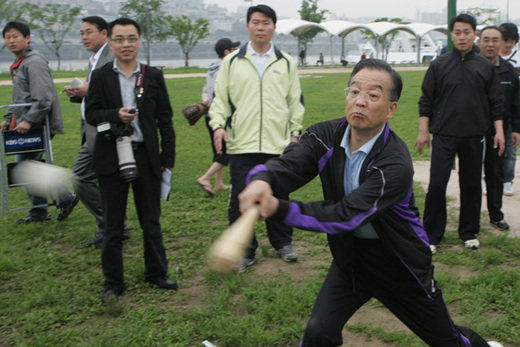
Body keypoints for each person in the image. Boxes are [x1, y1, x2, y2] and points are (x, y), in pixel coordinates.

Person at [239, 59, 502, 347]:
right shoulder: (324, 135)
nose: (360, 102)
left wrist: (278, 208)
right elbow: (290, 164)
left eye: (373, 95)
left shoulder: (395, 162)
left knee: (447, 342)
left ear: (391, 109)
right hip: (350, 259)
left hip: (400, 264)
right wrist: (262, 180)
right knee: (317, 334)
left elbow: (347, 214)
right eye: (354, 92)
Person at [85, 18, 177, 301]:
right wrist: (116, 115)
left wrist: (166, 158)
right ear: (110, 42)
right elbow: (92, 114)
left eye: (132, 38)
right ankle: (113, 282)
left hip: (145, 156)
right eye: (120, 39)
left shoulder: (153, 75)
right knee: (112, 224)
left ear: (139, 42)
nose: (126, 44)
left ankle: (156, 273)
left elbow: (165, 119)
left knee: (151, 220)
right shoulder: (100, 76)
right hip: (112, 155)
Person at [209, 4, 305, 272]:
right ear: (248, 26)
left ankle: (283, 242)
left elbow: (295, 101)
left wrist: (294, 133)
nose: (260, 27)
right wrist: (218, 126)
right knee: (241, 197)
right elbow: (220, 101)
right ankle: (245, 251)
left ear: (273, 27)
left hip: (278, 145)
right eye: (255, 22)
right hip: (242, 144)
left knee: (279, 195)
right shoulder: (231, 62)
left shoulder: (285, 62)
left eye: (266, 22)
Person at [414, 14, 505, 254]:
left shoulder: (485, 66)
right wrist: (424, 131)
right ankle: (432, 235)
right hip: (443, 135)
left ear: (474, 34)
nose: (462, 37)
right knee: (437, 185)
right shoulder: (439, 65)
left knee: (471, 185)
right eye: (457, 32)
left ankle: (469, 232)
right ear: (451, 35)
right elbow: (426, 100)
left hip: (475, 136)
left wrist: (499, 132)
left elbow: (496, 103)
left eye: (466, 32)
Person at [0, 21, 78, 224]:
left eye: (15, 36)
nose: (11, 40)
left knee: (26, 166)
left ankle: (63, 197)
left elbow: (44, 98)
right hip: (27, 124)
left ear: (27, 38)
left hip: (37, 125)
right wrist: (8, 119)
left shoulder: (33, 62)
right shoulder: (21, 63)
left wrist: (27, 120)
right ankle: (40, 211)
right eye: (7, 37)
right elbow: (19, 97)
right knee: (28, 166)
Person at [65, 16, 122, 247]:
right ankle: (114, 224)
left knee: (80, 176)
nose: (84, 37)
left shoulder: (111, 56)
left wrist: (90, 89)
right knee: (99, 179)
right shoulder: (94, 59)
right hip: (91, 129)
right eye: (81, 33)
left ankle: (111, 225)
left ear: (104, 34)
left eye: (89, 32)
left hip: (104, 130)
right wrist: (80, 94)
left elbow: (118, 89)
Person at [478, 25, 520, 231]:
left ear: (502, 43)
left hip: (499, 132)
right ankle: (469, 217)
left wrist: (516, 128)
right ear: (479, 42)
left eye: (495, 40)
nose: (490, 44)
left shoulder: (508, 71)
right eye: (486, 40)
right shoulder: (471, 67)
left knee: (496, 174)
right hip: (472, 130)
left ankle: (496, 215)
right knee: (470, 175)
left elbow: (516, 103)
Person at [196, 38, 240, 196]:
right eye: (233, 49)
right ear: (227, 52)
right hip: (222, 115)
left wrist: (207, 103)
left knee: (218, 149)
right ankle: (205, 178)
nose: (236, 51)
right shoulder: (226, 67)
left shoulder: (211, 68)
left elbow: (205, 90)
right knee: (226, 152)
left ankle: (219, 183)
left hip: (210, 114)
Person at [499, 22, 520, 196]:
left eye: (512, 40)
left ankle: (507, 180)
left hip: (513, 106)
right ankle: (488, 178)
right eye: (506, 39)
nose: (508, 43)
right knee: (492, 147)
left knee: (511, 149)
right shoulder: (492, 57)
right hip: (494, 108)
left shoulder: (518, 57)